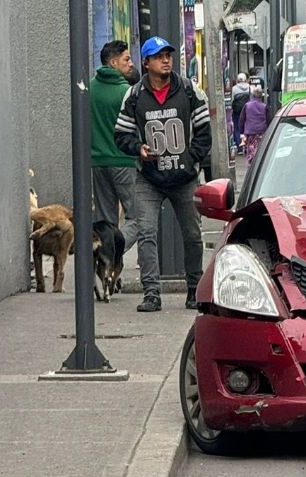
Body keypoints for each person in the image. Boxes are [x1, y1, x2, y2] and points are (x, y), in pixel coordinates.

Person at [114, 36, 211, 312]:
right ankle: (151, 294)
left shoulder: (189, 90)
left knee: (192, 234)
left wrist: (193, 158)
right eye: (158, 56)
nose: (166, 60)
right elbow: (121, 134)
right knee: (146, 233)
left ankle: (194, 289)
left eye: (168, 54)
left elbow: (204, 131)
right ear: (146, 63)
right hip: (149, 178)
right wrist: (138, 148)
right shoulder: (134, 96)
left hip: (184, 179)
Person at [90, 40, 138, 252]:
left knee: (106, 220)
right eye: (126, 59)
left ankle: (106, 266)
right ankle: (114, 249)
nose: (131, 63)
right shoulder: (127, 92)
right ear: (113, 62)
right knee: (138, 217)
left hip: (98, 162)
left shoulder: (88, 89)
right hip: (125, 161)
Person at [239, 86, 271, 164]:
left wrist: (242, 132)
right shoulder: (264, 106)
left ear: (253, 95)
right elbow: (269, 120)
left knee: (251, 150)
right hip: (261, 133)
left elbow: (242, 119)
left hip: (250, 133)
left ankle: (251, 164)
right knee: (260, 150)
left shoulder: (247, 106)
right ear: (261, 96)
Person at [231, 73, 251, 153]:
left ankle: (239, 147)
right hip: (247, 110)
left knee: (237, 127)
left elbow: (231, 99)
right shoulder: (249, 87)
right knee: (246, 126)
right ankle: (246, 146)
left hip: (237, 111)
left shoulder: (234, 89)